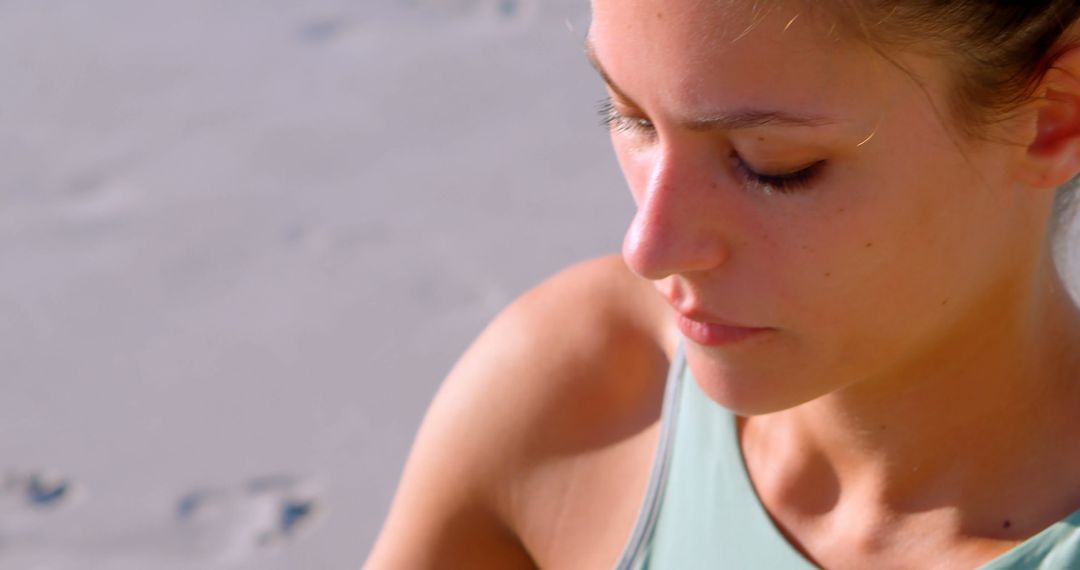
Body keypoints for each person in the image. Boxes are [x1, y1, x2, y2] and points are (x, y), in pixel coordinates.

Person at [366, 0, 1080, 567]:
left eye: (771, 163)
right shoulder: (580, 392)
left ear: (1053, 118)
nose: (650, 248)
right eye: (630, 117)